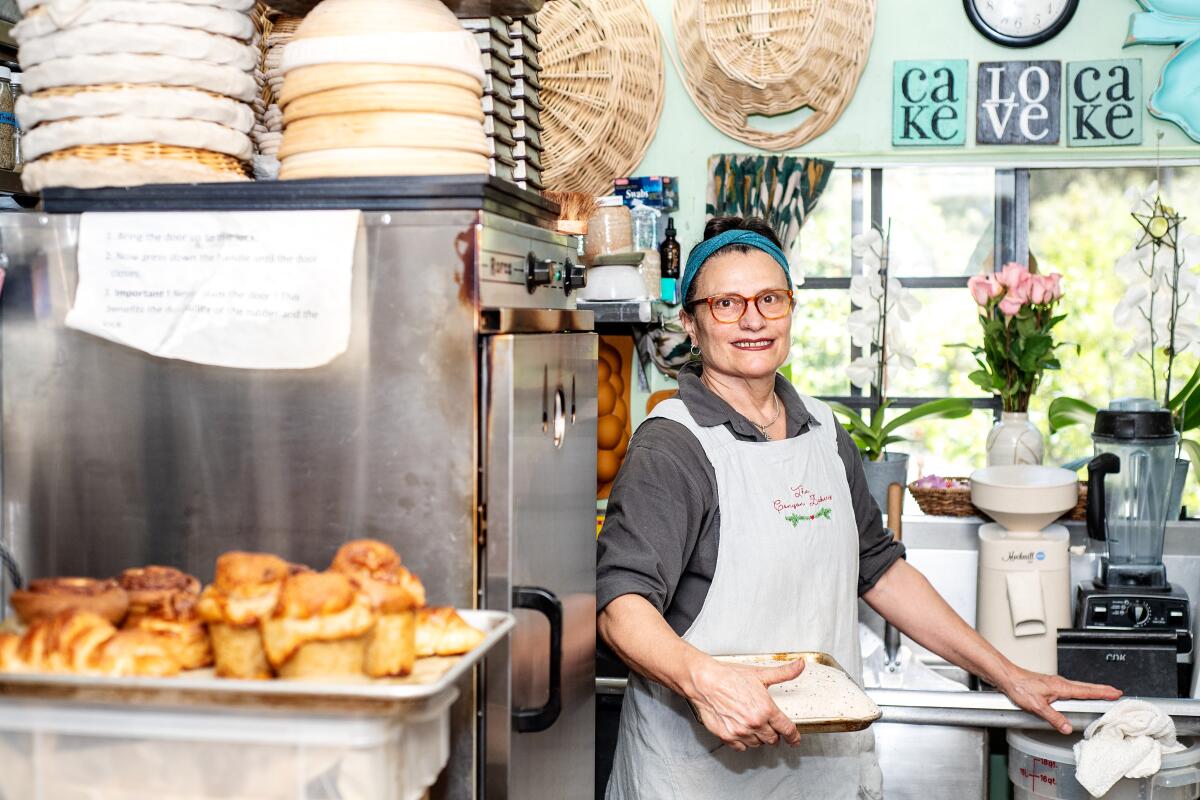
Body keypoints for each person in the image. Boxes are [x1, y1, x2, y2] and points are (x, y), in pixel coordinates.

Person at [597, 216, 1120, 799]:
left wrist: (1008, 675)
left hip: (822, 771)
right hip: (699, 776)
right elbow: (622, 606)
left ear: (791, 309)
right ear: (691, 325)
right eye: (726, 303)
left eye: (770, 299)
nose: (752, 319)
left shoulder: (823, 429)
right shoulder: (673, 444)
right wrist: (705, 682)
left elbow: (881, 571)